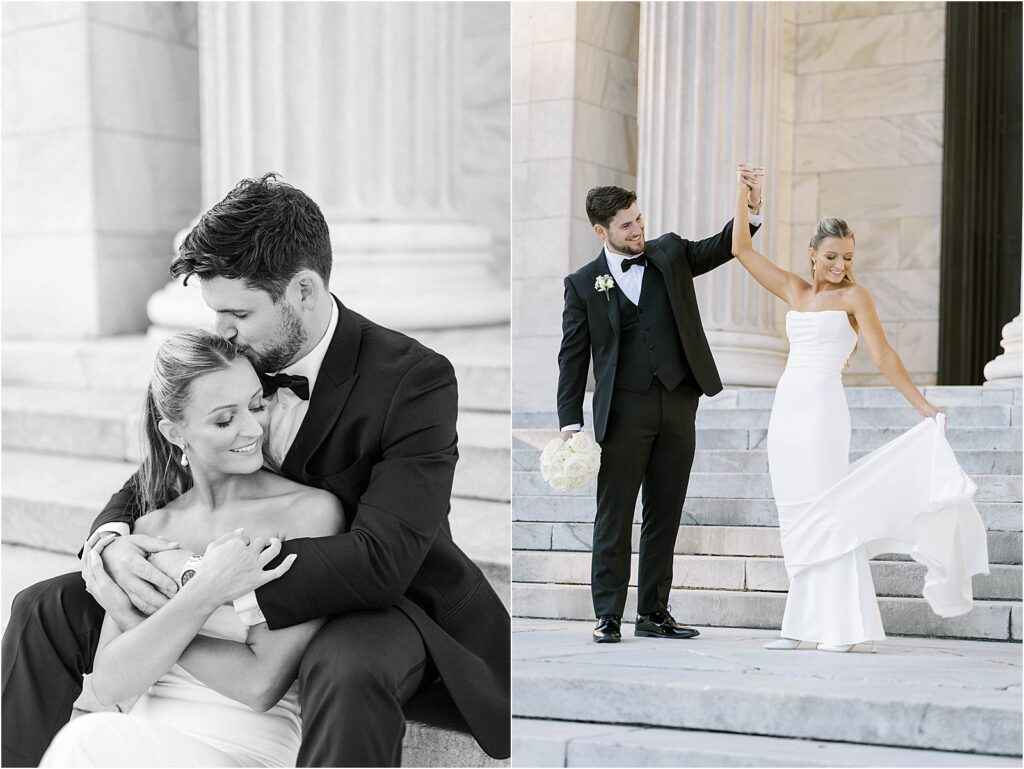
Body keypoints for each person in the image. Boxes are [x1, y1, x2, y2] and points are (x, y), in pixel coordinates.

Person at [2, 174, 511, 767]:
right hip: (222, 579)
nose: (222, 330)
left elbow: (385, 558)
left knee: (349, 667)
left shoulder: (413, 378)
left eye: (237, 312)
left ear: (302, 290)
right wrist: (113, 541)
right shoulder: (242, 357)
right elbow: (170, 455)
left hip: (378, 599)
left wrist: (201, 585)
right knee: (43, 604)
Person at [42, 331, 343, 766]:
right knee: (90, 739)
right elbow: (109, 683)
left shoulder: (307, 514)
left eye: (257, 405)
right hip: (143, 736)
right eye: (224, 420)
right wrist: (204, 595)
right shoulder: (150, 527)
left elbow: (260, 683)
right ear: (174, 432)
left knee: (84, 741)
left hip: (241, 749)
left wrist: (148, 619)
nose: (252, 428)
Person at [730, 163, 990, 652]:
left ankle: (843, 628)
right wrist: (747, 198)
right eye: (831, 256)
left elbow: (884, 355)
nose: (839, 265)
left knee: (829, 511)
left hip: (824, 415)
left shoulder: (856, 297)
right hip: (786, 414)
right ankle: (799, 626)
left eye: (847, 256)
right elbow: (740, 249)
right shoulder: (794, 290)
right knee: (795, 514)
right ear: (811, 254)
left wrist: (923, 405)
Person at [556, 178, 763, 643]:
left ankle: (653, 613)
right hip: (623, 413)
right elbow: (572, 358)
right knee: (614, 516)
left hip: (678, 403)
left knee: (664, 513)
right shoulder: (583, 285)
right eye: (627, 225)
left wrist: (749, 208)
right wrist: (570, 424)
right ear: (600, 230)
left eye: (639, 219)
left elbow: (723, 246)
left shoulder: (669, 253)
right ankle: (608, 614)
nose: (638, 230)